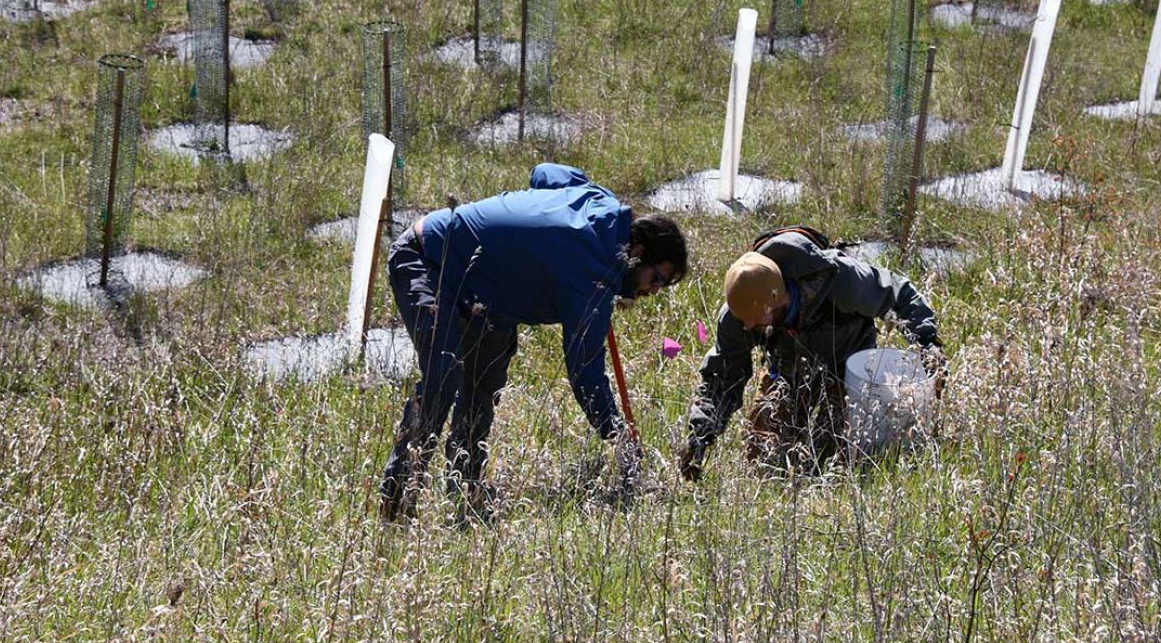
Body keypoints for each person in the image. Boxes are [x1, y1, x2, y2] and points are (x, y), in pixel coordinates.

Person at [380, 162, 688, 521]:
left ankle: (467, 490)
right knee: (444, 375)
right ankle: (396, 505)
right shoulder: (591, 276)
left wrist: (531, 239)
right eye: (656, 279)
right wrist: (618, 438)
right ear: (636, 251)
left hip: (488, 298)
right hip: (429, 258)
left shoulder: (601, 203)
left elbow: (545, 173)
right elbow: (585, 372)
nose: (652, 291)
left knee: (483, 384)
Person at [677, 228, 943, 480]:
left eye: (755, 321)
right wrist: (701, 432)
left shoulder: (840, 280)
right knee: (761, 458)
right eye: (743, 321)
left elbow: (898, 293)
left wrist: (927, 344)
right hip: (787, 369)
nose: (747, 327)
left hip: (847, 366)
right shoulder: (740, 313)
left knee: (836, 458)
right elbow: (722, 377)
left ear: (777, 300)